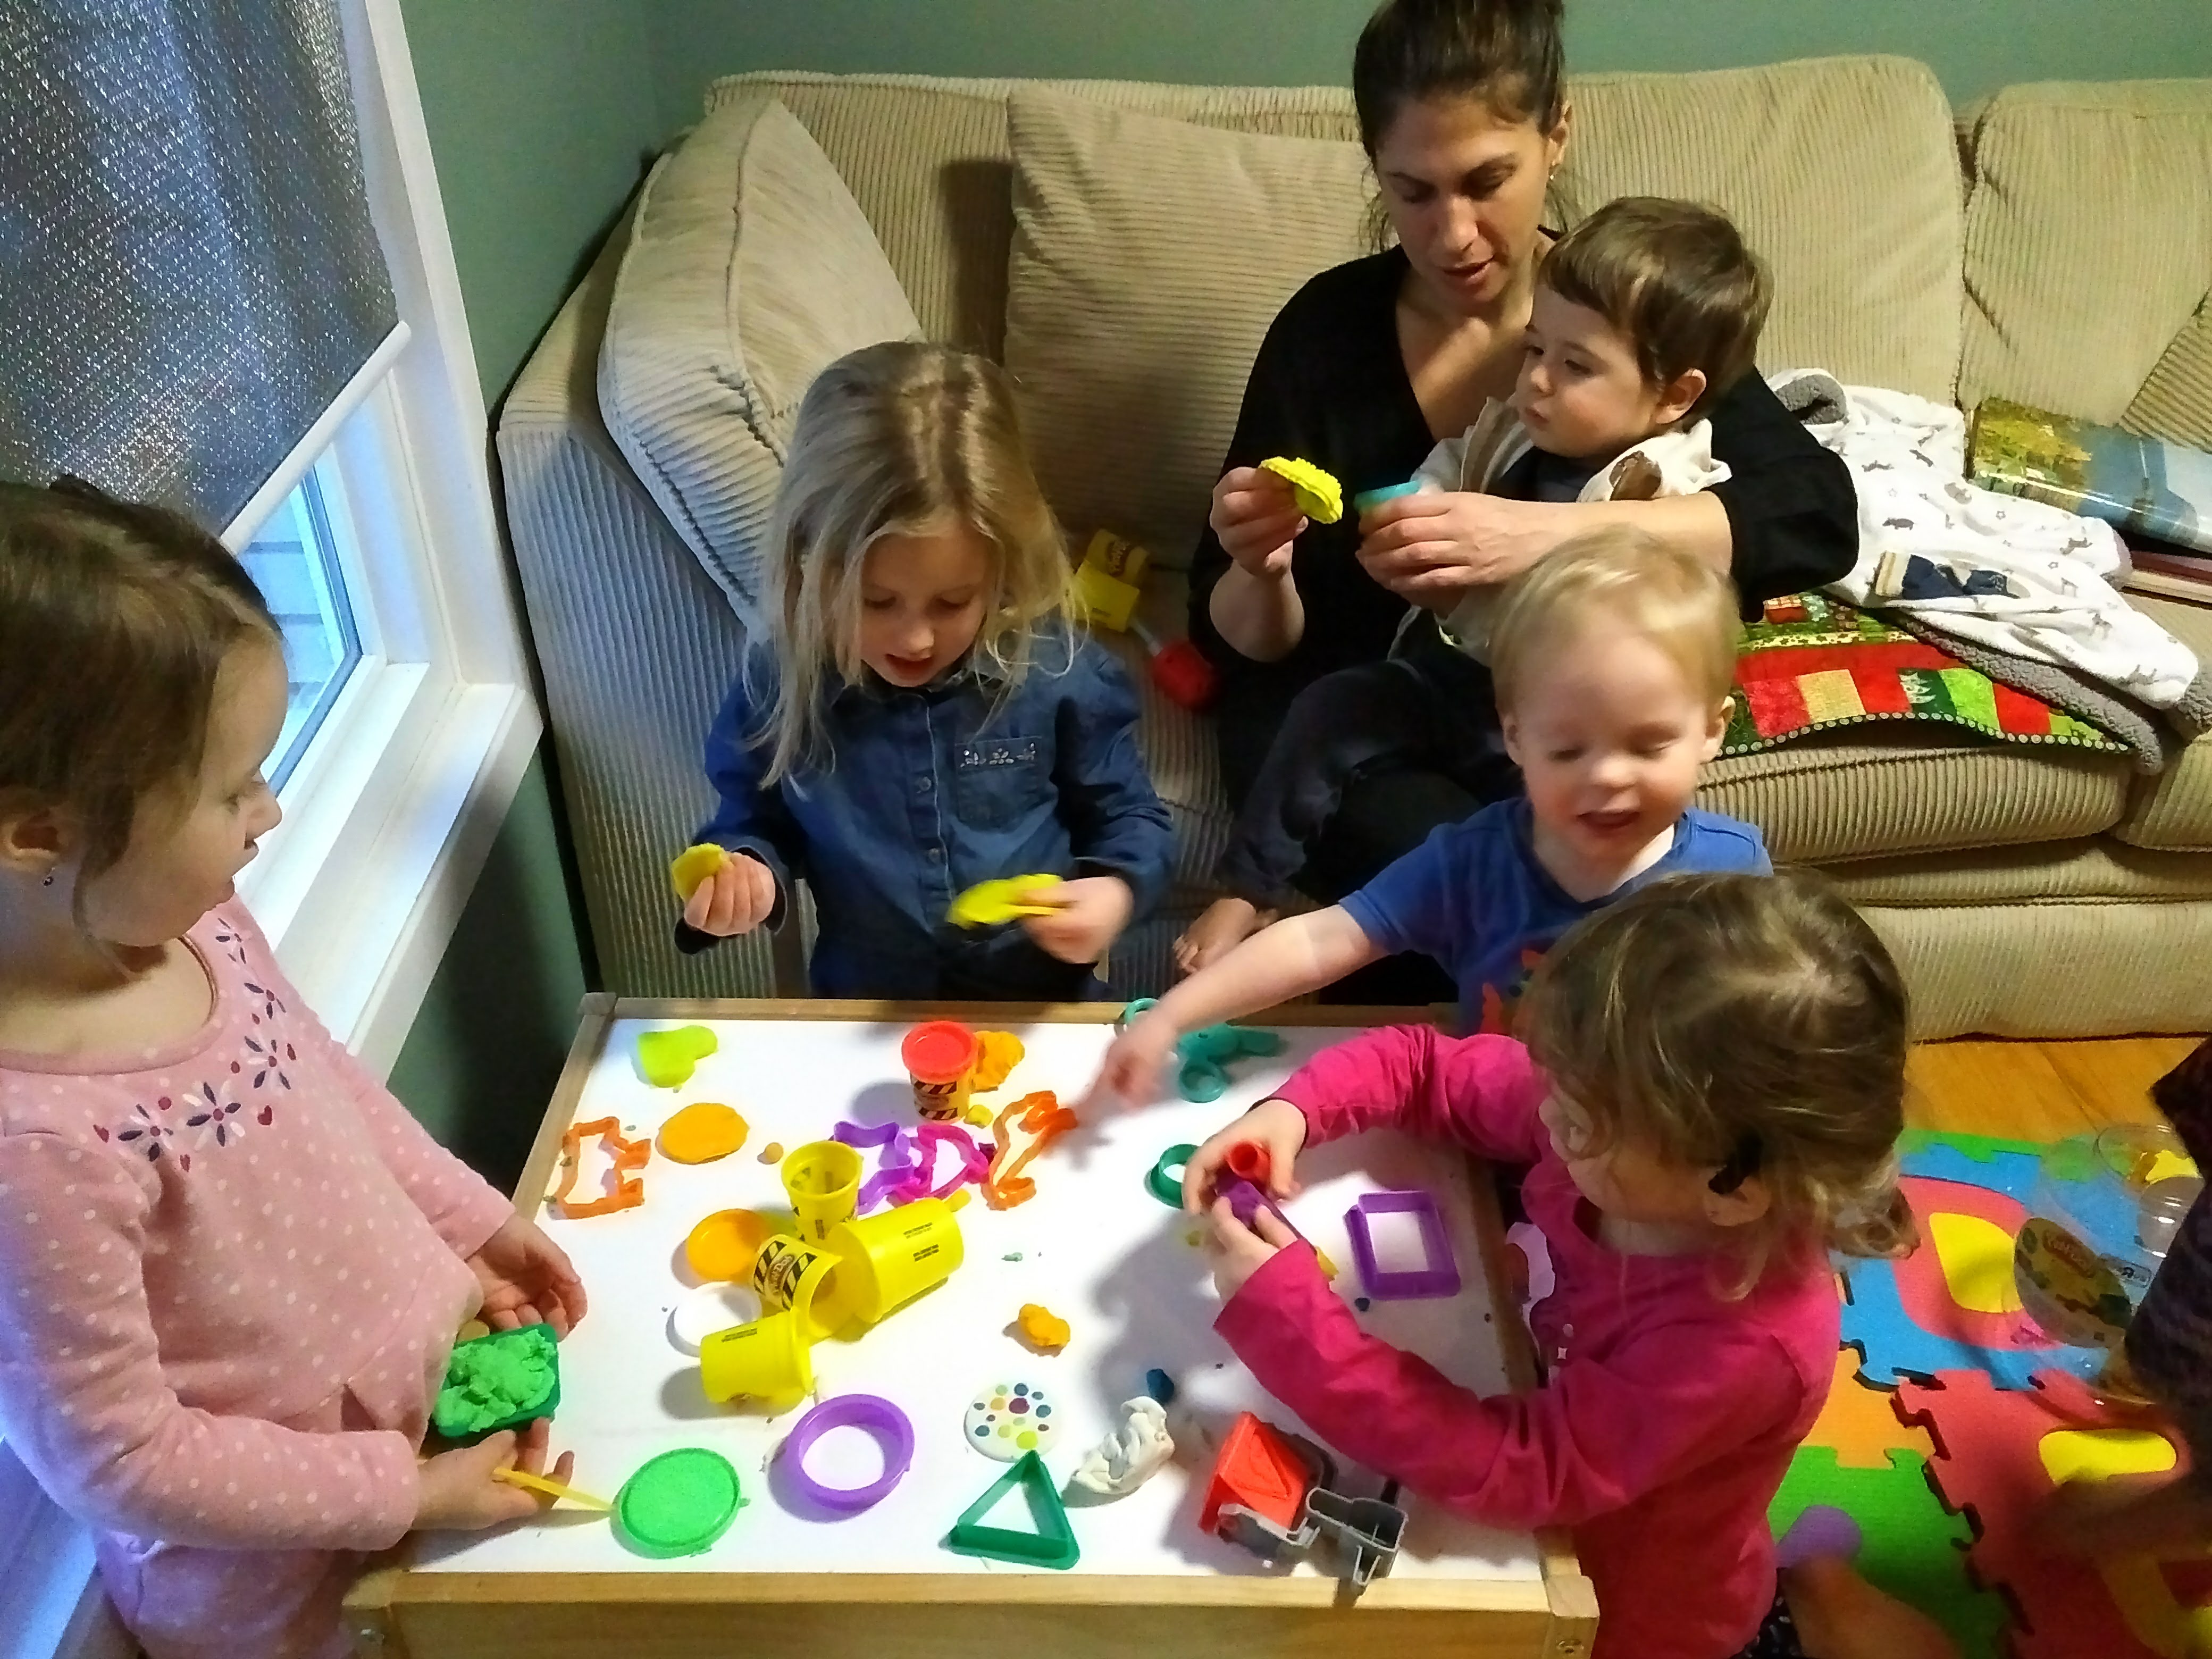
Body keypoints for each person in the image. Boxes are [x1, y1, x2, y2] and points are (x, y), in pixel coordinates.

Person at [0, 480, 588, 1659]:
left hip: (427, 1431)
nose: (268, 813)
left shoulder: (200, 927)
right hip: (282, 1591)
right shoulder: (36, 1146)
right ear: (39, 833)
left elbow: (328, 1088)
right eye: (231, 790)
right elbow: (123, 1460)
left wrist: (472, 1223)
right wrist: (401, 1493)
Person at [1191, 0, 1855, 997]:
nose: (1452, 234)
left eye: (1486, 182)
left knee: (1546, 866)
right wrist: (1261, 567)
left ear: (1557, 135)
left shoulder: (1627, 308)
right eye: (1413, 192)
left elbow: (1814, 515)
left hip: (1549, 709)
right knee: (1462, 867)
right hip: (1374, 708)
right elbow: (1246, 646)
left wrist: (1541, 537)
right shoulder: (1326, 334)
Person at [1182, 870, 1951, 1659]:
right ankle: (1811, 1588)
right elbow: (1426, 1068)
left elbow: (1522, 1469)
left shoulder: (1742, 1346)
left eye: (1581, 1121)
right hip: (1604, 1455)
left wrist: (1292, 1323)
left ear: (1732, 1189)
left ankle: (1808, 1607)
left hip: (1636, 1620)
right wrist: (1293, 1112)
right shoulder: (1627, 1120)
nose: (1546, 1111)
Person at [1185, 195, 1770, 966]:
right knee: (1332, 705)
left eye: (1576, 366)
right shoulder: (1511, 429)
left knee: (1528, 848)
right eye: (1534, 350)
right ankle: (1248, 886)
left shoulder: (1664, 488)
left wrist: (1501, 573)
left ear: (1673, 395)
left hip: (1562, 713)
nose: (1537, 382)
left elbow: (1620, 622)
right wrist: (1413, 519)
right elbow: (1448, 470)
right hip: (1454, 676)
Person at [1090, 527, 1768, 1107]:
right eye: (1567, 750)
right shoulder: (1473, 860)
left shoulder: (1735, 876)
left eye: (1648, 746)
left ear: (1712, 731)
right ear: (1514, 738)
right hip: (1490, 1128)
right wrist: (1171, 1017)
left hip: (1650, 1154)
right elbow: (1321, 941)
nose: (1608, 776)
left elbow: (1769, 1026)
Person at [677, 341, 1173, 999]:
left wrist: (1115, 892)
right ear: (805, 563)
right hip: (864, 1012)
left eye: (952, 603)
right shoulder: (780, 679)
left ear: (1001, 571)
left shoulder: (1057, 670)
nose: (914, 638)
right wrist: (746, 874)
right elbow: (751, 820)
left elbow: (1129, 816)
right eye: (876, 602)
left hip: (1041, 1009)